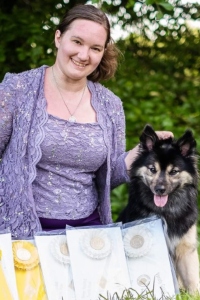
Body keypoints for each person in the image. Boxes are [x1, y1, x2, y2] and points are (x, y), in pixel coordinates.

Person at [0, 4, 172, 238]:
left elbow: (108, 176)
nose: (84, 55)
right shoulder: (17, 90)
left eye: (95, 48)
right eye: (77, 42)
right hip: (23, 235)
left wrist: (140, 153)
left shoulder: (111, 105)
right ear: (58, 37)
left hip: (89, 236)